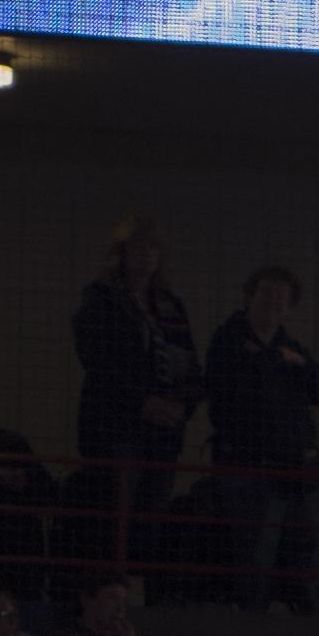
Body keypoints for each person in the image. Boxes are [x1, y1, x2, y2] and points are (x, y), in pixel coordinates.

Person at [202, 269, 319, 614]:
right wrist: (279, 363)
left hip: (294, 471)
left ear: (289, 307)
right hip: (250, 469)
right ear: (249, 298)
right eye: (266, 296)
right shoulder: (228, 342)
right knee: (255, 558)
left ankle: (311, 626)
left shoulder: (290, 347)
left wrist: (297, 365)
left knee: (306, 556)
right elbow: (231, 393)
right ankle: (254, 630)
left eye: (281, 300)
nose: (273, 305)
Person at [73, 221, 200, 515]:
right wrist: (142, 402)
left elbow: (191, 364)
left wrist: (182, 406)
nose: (147, 254)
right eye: (139, 246)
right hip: (117, 427)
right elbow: (99, 361)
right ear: (122, 253)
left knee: (151, 516)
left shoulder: (170, 306)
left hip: (163, 433)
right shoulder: (101, 300)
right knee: (116, 517)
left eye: (153, 248)